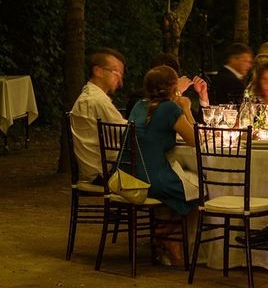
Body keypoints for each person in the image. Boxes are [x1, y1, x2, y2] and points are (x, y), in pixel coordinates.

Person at [129, 65, 198, 215]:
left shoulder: (139, 105)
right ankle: (179, 233)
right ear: (174, 87)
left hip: (132, 177)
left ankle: (165, 228)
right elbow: (195, 140)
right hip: (154, 180)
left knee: (187, 181)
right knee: (203, 186)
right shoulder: (169, 108)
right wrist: (186, 108)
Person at [70, 48, 127, 183]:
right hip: (104, 172)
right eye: (115, 72)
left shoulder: (91, 96)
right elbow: (126, 132)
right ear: (98, 71)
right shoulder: (96, 101)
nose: (119, 79)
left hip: (96, 170)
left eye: (121, 74)